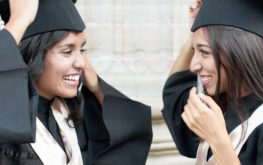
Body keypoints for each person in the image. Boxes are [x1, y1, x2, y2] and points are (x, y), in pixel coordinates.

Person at [0, 0, 152, 164]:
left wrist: (96, 86)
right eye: (67, 51)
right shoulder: (9, 124)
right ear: (33, 54)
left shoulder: (72, 113)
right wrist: (18, 21)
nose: (82, 63)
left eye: (82, 50)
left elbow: (130, 132)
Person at [162, 0, 263, 164]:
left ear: (239, 53)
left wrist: (217, 140)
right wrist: (196, 31)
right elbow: (175, 94)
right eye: (195, 50)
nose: (193, 66)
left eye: (204, 52)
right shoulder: (224, 108)